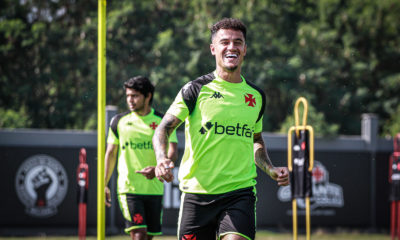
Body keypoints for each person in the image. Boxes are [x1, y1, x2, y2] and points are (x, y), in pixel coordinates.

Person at [152, 18, 289, 240]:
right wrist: (160, 158)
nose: (231, 47)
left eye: (238, 42)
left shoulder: (256, 96)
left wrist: (270, 168)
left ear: (245, 49)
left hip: (239, 192)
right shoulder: (195, 90)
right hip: (197, 194)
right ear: (213, 49)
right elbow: (163, 129)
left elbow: (256, 139)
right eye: (224, 42)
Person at [104, 76, 178, 240]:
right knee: (139, 234)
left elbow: (172, 151)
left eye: (135, 95)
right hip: (129, 189)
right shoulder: (119, 122)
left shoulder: (162, 121)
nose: (130, 100)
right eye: (128, 95)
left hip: (154, 189)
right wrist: (104, 184)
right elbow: (110, 154)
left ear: (148, 96)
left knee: (149, 236)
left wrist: (159, 169)